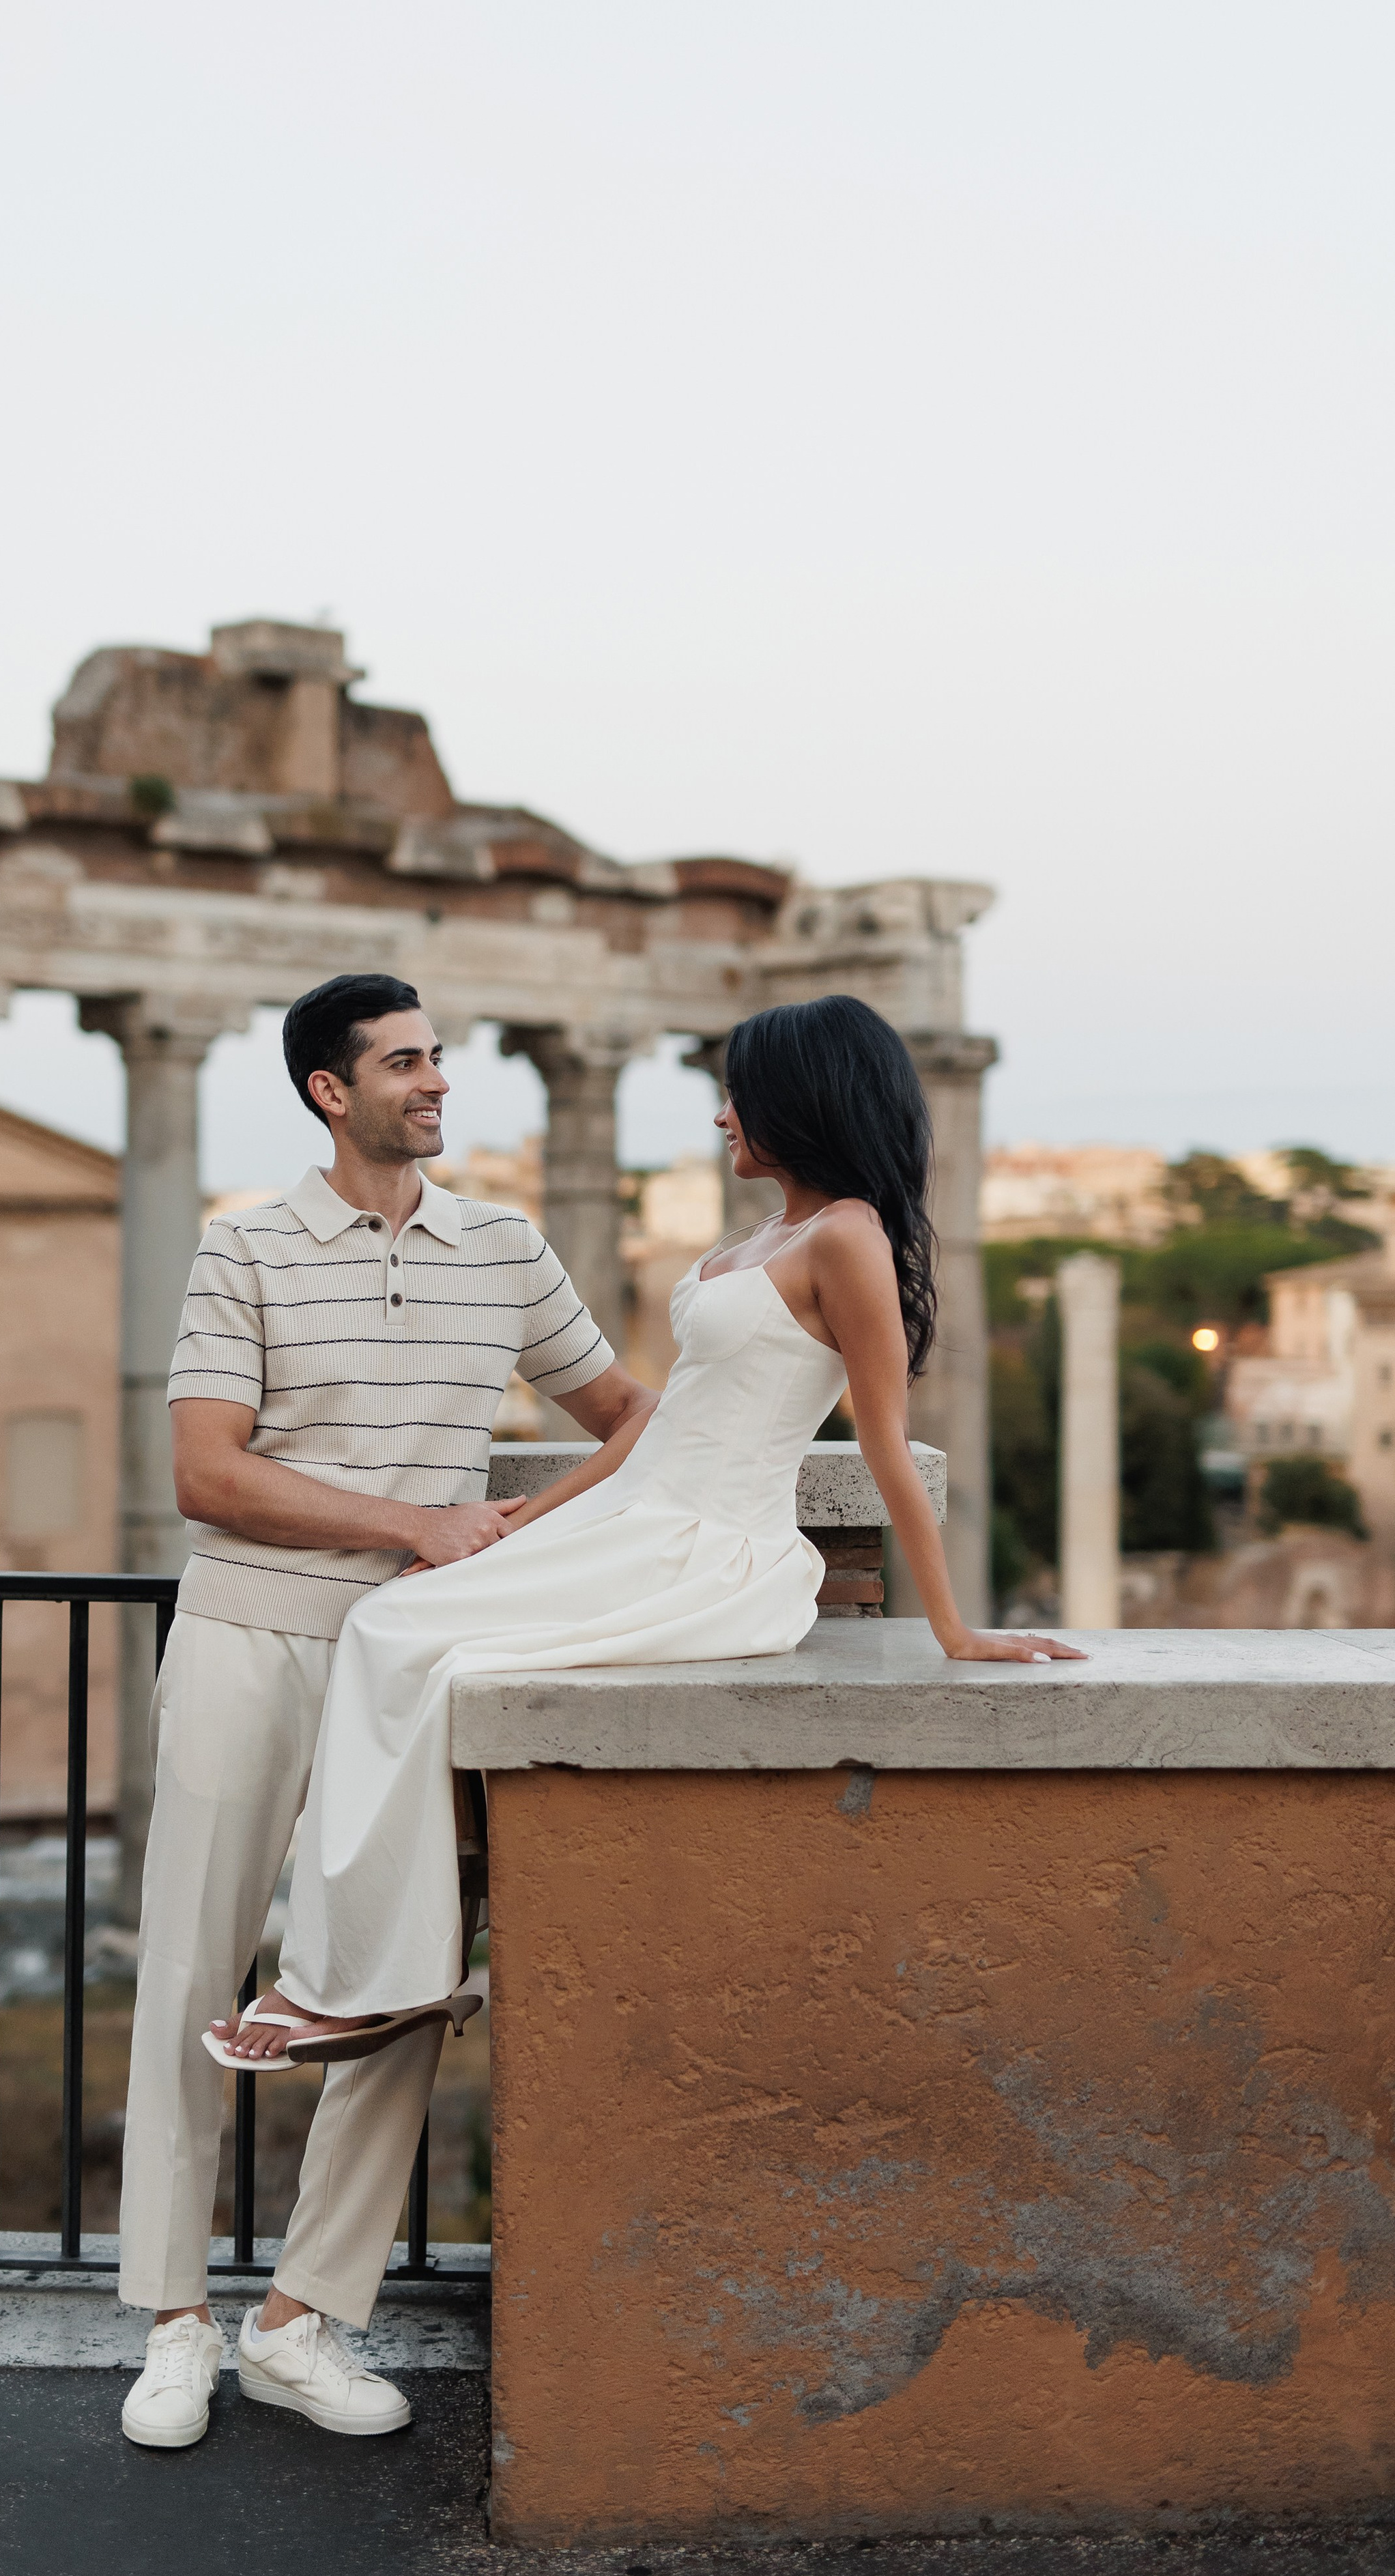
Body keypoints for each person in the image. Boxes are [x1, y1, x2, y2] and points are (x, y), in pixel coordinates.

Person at [227, 994, 1084, 2067]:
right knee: (397, 1623)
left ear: (800, 1100)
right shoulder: (764, 1234)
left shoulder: (850, 1237)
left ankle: (365, 1982)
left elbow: (885, 1447)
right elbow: (663, 1419)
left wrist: (956, 1630)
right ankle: (369, 1973)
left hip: (713, 1551)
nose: (723, 1117)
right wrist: (519, 1521)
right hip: (638, 1519)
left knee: (399, 1642)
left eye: (741, 1095)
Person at [117, 973, 657, 2449]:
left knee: (391, 1984)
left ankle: (300, 2319)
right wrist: (417, 1522)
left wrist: (520, 1528)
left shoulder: (504, 1247)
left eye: (437, 1058)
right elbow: (205, 1474)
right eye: (404, 1062)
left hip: (410, 1664)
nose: (434, 1082)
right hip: (247, 1638)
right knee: (194, 1971)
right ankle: (174, 2322)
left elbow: (633, 1418)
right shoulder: (244, 1251)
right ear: (326, 1090)